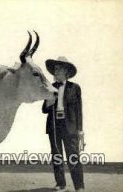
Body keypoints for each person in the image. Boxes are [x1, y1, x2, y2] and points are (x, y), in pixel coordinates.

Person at [42, 56, 84, 192]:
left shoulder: (75, 88)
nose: (56, 72)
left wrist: (80, 130)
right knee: (57, 155)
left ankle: (79, 186)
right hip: (54, 126)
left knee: (73, 156)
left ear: (66, 72)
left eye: (59, 69)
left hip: (70, 126)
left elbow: (79, 111)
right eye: (55, 69)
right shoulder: (50, 88)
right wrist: (49, 103)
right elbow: (44, 110)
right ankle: (61, 184)